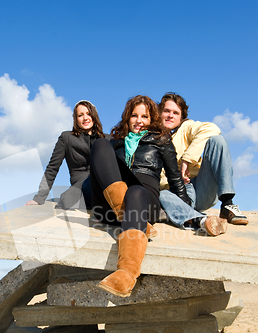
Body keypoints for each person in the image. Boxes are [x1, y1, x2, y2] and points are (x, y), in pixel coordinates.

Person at [90, 95, 227, 299]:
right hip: (115, 204)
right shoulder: (115, 142)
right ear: (127, 118)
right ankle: (124, 212)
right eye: (134, 116)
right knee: (100, 144)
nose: (139, 120)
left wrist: (186, 208)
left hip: (145, 198)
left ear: (152, 119)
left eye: (144, 116)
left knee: (135, 192)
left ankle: (126, 273)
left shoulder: (161, 141)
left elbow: (175, 180)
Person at [158, 93, 248, 227]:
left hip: (199, 188)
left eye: (176, 113)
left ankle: (227, 204)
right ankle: (199, 220)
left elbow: (212, 128)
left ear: (181, 117)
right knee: (161, 195)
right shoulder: (151, 136)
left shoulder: (185, 128)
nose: (171, 115)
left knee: (217, 140)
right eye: (167, 111)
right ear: (159, 113)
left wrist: (187, 159)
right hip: (173, 193)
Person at [26, 100, 104, 209]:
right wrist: (39, 197)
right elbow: (52, 168)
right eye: (80, 115)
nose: (85, 118)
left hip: (103, 184)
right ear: (76, 120)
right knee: (68, 201)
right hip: (80, 187)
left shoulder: (106, 140)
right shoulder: (67, 138)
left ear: (94, 116)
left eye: (88, 114)